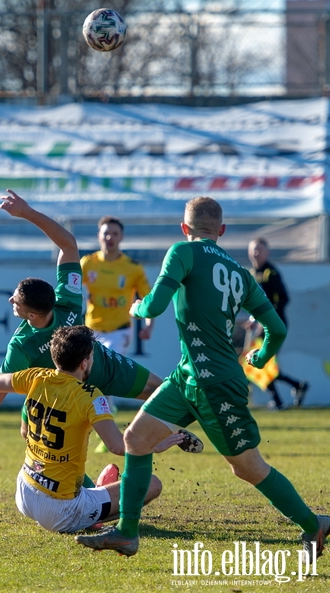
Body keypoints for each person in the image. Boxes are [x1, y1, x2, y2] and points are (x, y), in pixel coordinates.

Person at [75, 196, 330, 562]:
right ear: (222, 232)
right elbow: (276, 327)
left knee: (247, 468)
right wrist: (262, 355)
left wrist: (138, 307)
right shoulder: (241, 274)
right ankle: (127, 533)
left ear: (184, 228)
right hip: (189, 376)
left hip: (214, 383)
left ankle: (312, 523)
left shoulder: (182, 252)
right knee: (136, 439)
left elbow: (155, 304)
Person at [0, 190, 193, 464]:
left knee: (160, 392)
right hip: (95, 366)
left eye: (16, 300)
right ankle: (108, 471)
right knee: (30, 431)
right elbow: (68, 245)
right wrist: (28, 212)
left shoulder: (23, 344)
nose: (10, 299)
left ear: (31, 315)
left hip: (90, 369)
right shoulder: (66, 299)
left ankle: (165, 436)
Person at [0, 325, 164, 534]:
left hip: (24, 491)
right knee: (151, 484)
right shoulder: (90, 395)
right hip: (60, 510)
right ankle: (93, 512)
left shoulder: (35, 377)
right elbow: (117, 446)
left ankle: (95, 495)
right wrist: (155, 443)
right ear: (85, 362)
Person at [247, 237, 309, 409]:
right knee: (259, 363)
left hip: (275, 326)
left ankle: (280, 399)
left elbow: (283, 299)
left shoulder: (271, 273)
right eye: (253, 250)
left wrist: (266, 320)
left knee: (261, 361)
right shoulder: (252, 273)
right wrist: (254, 319)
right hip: (263, 325)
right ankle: (294, 388)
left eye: (259, 250)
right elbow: (255, 304)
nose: (255, 253)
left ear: (268, 253)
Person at [81, 216, 153, 356]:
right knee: (89, 373)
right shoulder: (88, 263)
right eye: (106, 233)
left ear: (121, 237)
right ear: (99, 236)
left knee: (108, 366)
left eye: (115, 234)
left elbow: (148, 299)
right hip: (92, 329)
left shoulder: (133, 268)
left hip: (120, 331)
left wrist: (149, 326)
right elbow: (71, 289)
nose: (110, 237)